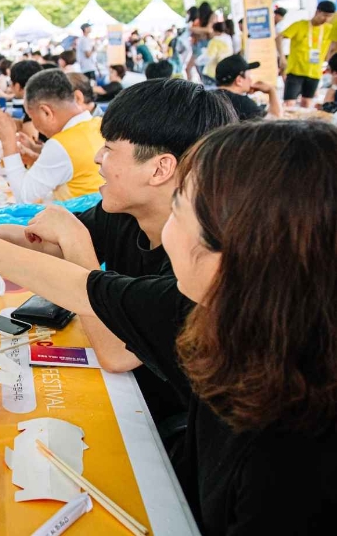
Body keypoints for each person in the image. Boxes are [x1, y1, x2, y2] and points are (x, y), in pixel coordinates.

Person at [0, 78, 236, 427]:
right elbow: (42, 240)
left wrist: (77, 244)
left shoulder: (196, 272)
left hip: (159, 428)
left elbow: (115, 354)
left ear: (160, 168)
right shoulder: (127, 215)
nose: (98, 157)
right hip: (121, 400)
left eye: (110, 148)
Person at [142, 121, 337, 533]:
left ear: (237, 252)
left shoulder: (292, 460)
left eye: (178, 209)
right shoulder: (241, 337)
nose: (167, 229)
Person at [0, 69, 103, 204]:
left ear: (46, 112)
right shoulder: (99, 124)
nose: (35, 125)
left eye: (32, 117)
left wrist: (8, 141)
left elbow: (24, 198)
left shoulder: (62, 144)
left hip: (77, 221)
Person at [276, 0, 337, 107]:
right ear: (318, 12)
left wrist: (330, 61)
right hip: (296, 71)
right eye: (324, 15)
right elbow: (279, 37)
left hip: (315, 72)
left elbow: (333, 46)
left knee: (307, 102)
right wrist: (282, 57)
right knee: (289, 103)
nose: (326, 19)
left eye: (330, 16)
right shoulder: (300, 25)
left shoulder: (329, 29)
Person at [214, 55, 282, 120]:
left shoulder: (209, 97)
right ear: (239, 80)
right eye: (248, 76)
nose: (251, 80)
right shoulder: (242, 103)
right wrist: (271, 90)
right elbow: (274, 122)